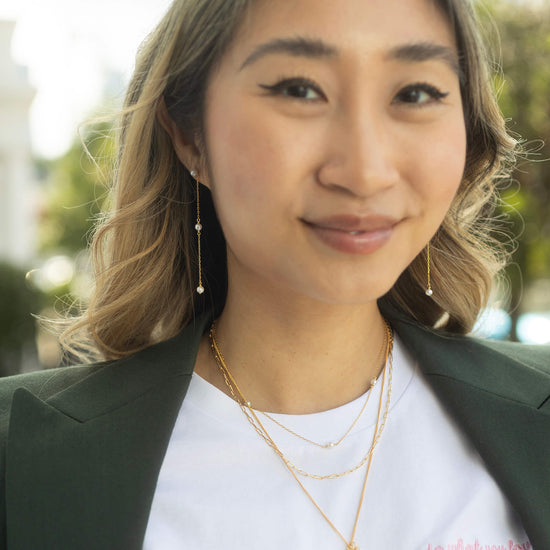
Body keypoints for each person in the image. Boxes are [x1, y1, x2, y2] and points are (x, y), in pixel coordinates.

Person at [1, 0, 549, 548]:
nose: (365, 171)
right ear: (191, 134)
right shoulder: (20, 462)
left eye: (415, 93)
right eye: (299, 89)